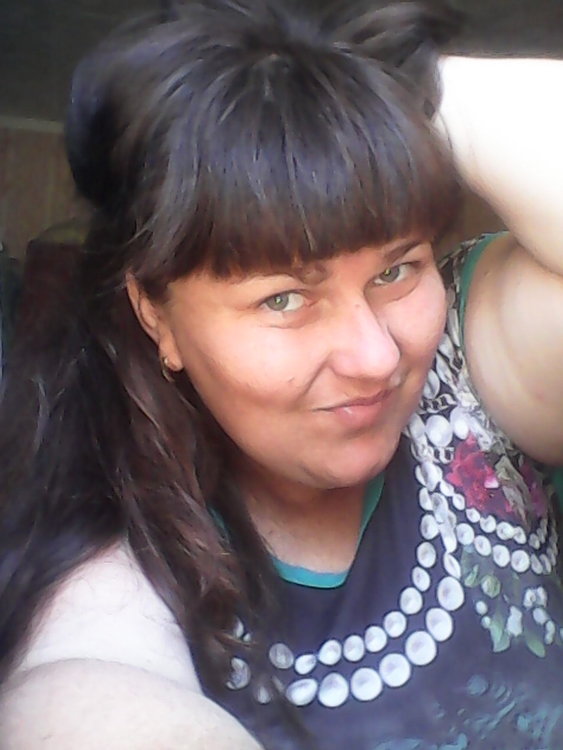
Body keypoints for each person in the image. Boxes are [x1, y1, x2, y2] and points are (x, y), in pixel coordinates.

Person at [0, 1, 562, 748]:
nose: (376, 357)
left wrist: (390, 88)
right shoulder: (111, 573)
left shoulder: (468, 381)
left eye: (396, 269)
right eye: (284, 299)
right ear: (156, 316)